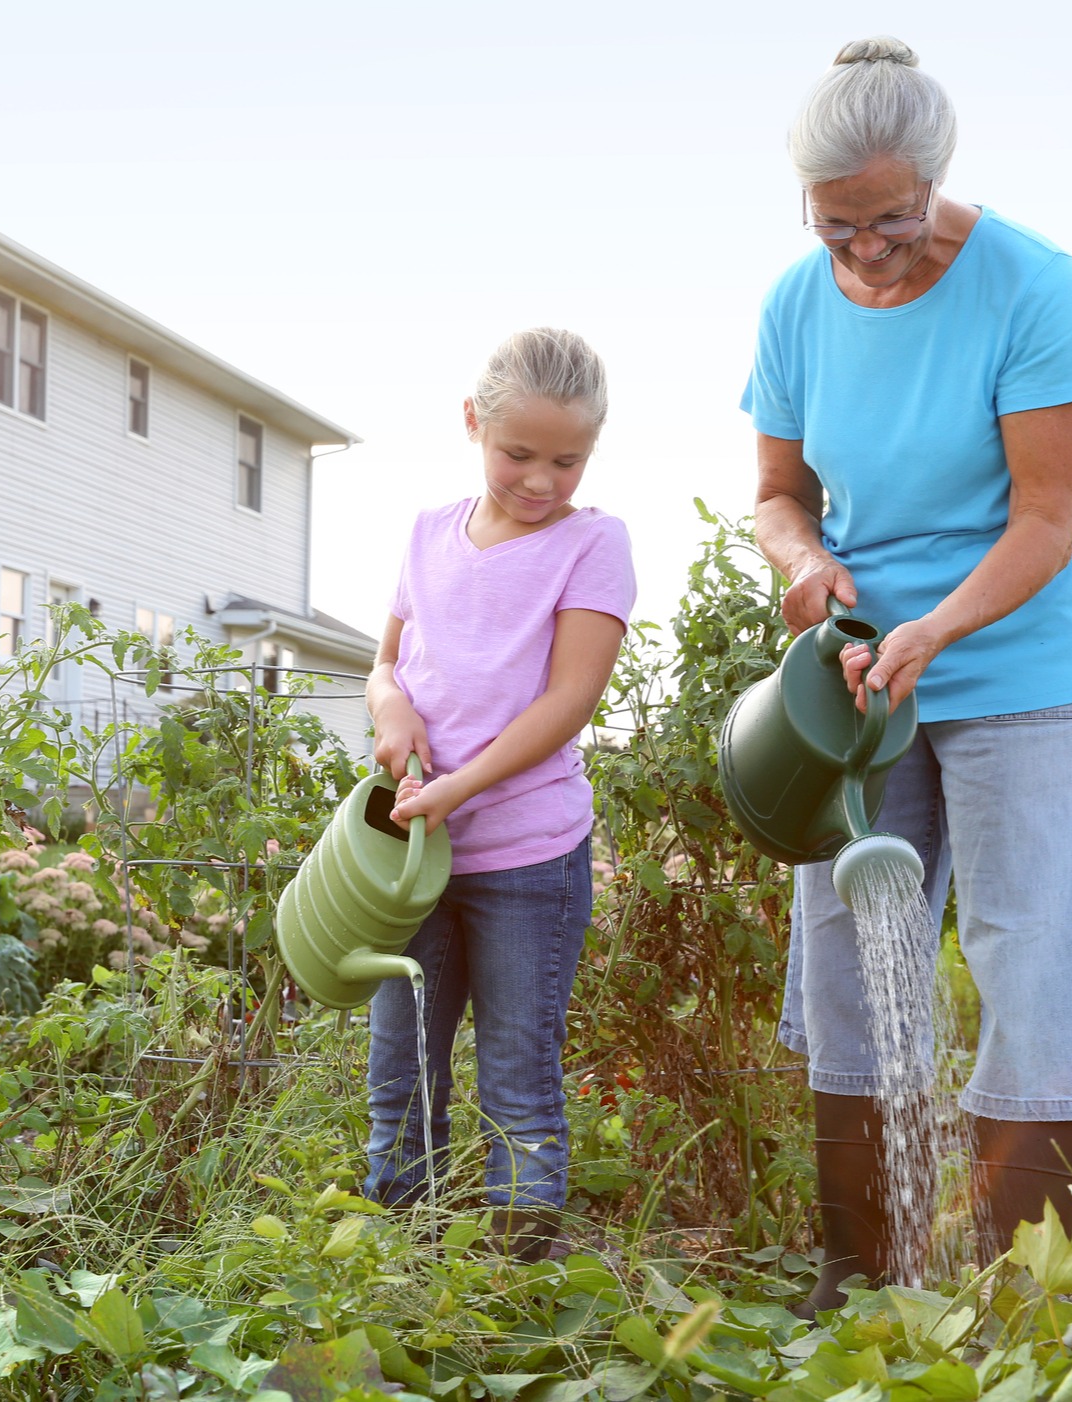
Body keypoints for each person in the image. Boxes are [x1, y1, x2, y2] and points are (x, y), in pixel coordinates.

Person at [742, 37, 1072, 1312]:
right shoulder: (794, 305)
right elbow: (774, 495)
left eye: (893, 221)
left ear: (936, 179)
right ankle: (858, 1282)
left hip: (1020, 659)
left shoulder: (1031, 285)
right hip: (861, 680)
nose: (867, 252)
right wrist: (803, 560)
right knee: (850, 959)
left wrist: (939, 629)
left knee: (1036, 960)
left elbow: (1043, 517)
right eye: (837, 227)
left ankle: (1021, 1297)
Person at [362, 327, 635, 1259]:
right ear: (473, 422)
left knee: (518, 1073)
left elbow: (568, 701)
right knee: (403, 1070)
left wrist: (460, 789)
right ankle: (402, 1264)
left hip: (528, 858)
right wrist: (390, 706)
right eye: (519, 453)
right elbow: (386, 663)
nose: (543, 480)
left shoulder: (593, 545)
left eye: (569, 459)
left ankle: (520, 1275)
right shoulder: (426, 533)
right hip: (414, 858)